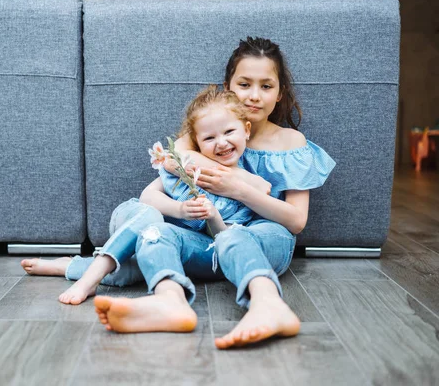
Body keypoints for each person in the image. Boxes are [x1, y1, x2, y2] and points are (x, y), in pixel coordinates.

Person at [93, 36, 336, 349]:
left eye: (266, 86)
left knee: (236, 236)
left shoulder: (291, 142)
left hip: (267, 237)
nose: (254, 96)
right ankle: (170, 302)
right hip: (210, 244)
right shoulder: (210, 134)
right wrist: (225, 171)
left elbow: (296, 221)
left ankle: (267, 305)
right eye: (244, 84)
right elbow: (170, 160)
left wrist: (237, 188)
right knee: (156, 232)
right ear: (228, 87)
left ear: (280, 93)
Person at [21, 85, 269, 305]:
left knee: (132, 273)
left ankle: (69, 265)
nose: (222, 143)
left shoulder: (246, 187)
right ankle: (90, 280)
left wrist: (213, 216)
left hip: (158, 243)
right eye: (209, 138)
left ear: (246, 130)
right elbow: (147, 197)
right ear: (197, 143)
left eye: (228, 132)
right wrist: (180, 210)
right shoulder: (190, 169)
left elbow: (224, 242)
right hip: (134, 218)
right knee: (150, 217)